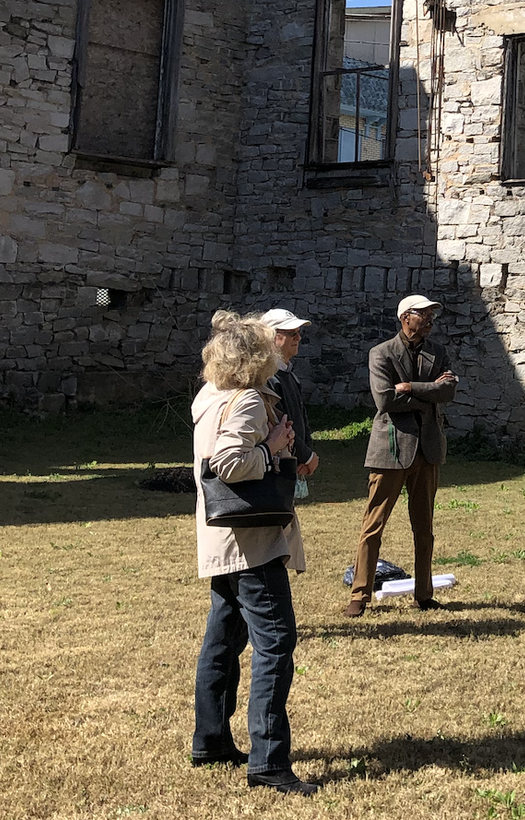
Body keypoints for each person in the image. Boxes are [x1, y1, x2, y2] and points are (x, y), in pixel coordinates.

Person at [190, 311, 318, 796]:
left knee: (222, 640)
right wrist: (272, 448)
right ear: (257, 358)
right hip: (251, 541)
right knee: (276, 643)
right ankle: (268, 761)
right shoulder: (245, 400)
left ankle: (211, 739)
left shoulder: (210, 396)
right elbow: (227, 462)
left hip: (224, 536)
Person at [347, 294, 457, 617]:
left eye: (431, 315)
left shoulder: (438, 352)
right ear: (405, 317)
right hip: (390, 451)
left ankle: (424, 594)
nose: (430, 320)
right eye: (424, 315)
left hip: (428, 449)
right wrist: (427, 392)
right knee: (373, 525)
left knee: (425, 528)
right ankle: (359, 594)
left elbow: (448, 391)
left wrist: (410, 387)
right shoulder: (380, 354)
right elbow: (384, 400)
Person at [261, 309, 315, 501]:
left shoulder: (289, 375)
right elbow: (279, 421)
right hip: (275, 466)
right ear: (272, 336)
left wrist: (306, 454)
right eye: (292, 333)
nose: (298, 337)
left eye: (299, 332)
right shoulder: (267, 378)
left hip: (290, 462)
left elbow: (301, 417)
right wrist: (306, 456)